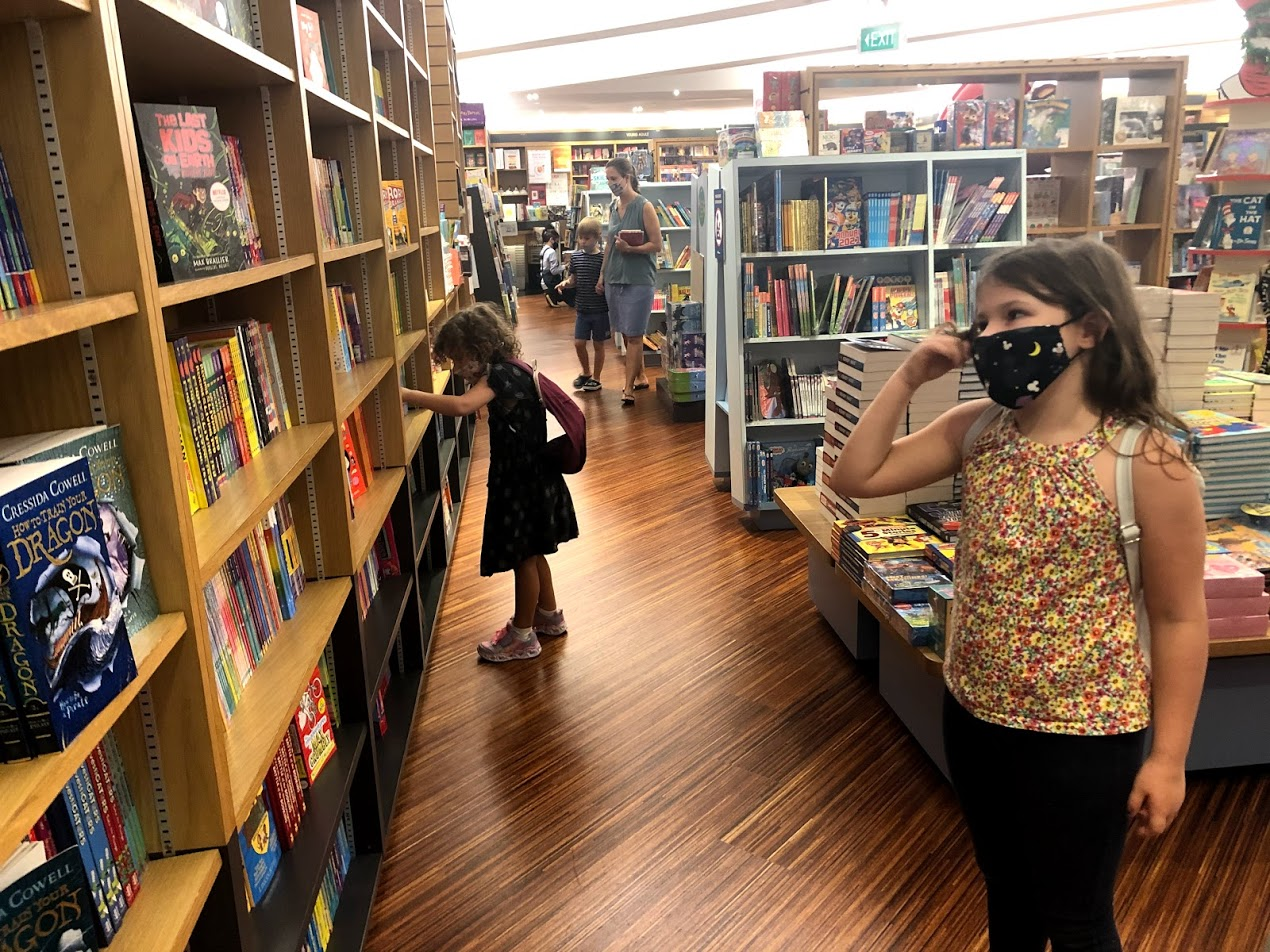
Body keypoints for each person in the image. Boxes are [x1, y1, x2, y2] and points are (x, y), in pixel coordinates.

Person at [827, 238, 1208, 951]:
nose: (991, 336)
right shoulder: (977, 430)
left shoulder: (1146, 460)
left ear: (1089, 328)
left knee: (1076, 917)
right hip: (974, 710)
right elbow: (856, 477)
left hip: (1084, 731)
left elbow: (1180, 617)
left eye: (1015, 314)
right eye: (983, 320)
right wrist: (908, 375)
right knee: (1006, 892)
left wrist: (1168, 757)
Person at [402, 304, 578, 662]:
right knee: (534, 551)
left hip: (520, 482)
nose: (456, 368)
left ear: (479, 349)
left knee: (523, 557)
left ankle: (522, 636)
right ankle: (548, 615)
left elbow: (461, 406)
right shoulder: (511, 368)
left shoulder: (499, 377)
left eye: (459, 358)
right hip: (534, 476)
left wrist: (407, 395)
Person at [595, 155, 662, 405]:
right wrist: (602, 274)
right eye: (607, 179)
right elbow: (609, 245)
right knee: (625, 331)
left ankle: (628, 387)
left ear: (627, 177)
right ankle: (641, 376)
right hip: (615, 278)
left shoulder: (644, 207)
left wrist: (631, 249)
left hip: (638, 279)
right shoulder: (613, 207)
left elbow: (656, 244)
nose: (611, 183)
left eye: (613, 178)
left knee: (634, 334)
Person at [558, 216, 609, 392]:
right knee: (579, 343)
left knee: (598, 344)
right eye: (580, 238)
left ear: (597, 237)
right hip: (582, 309)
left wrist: (603, 287)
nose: (582, 241)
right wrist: (565, 283)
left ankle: (597, 378)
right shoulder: (576, 257)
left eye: (587, 238)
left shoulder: (603, 259)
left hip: (600, 310)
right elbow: (573, 279)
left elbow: (607, 282)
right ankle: (586, 372)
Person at [540, 227, 567, 307]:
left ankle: (550, 296)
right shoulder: (551, 252)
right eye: (556, 241)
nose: (557, 243)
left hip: (544, 277)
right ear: (551, 239)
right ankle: (553, 298)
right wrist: (565, 267)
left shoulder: (543, 250)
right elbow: (554, 271)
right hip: (550, 279)